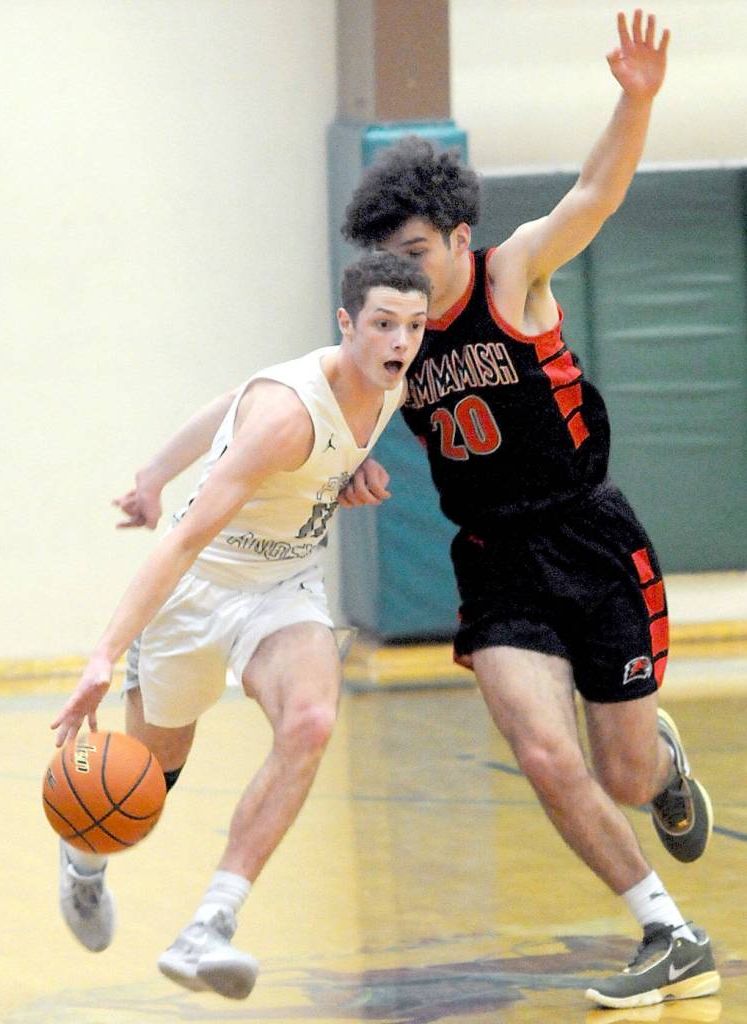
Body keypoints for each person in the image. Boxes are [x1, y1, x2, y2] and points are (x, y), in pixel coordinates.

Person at [338, 10, 720, 1011]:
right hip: (493, 558)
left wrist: (634, 100)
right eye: (386, 260)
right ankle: (666, 932)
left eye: (416, 251)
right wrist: (349, 465)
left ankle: (663, 760)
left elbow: (594, 193)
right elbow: (339, 412)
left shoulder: (513, 273)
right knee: (541, 751)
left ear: (458, 238)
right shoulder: (394, 332)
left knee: (625, 776)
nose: (401, 273)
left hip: (586, 535)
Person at [50, 251, 430, 999]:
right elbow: (185, 537)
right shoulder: (289, 415)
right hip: (196, 589)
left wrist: (345, 474)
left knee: (313, 719)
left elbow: (232, 400)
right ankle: (83, 857)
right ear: (347, 324)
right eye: (384, 325)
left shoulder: (391, 385)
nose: (399, 342)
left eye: (414, 327)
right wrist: (104, 652)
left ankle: (210, 926)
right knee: (142, 788)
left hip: (282, 587)